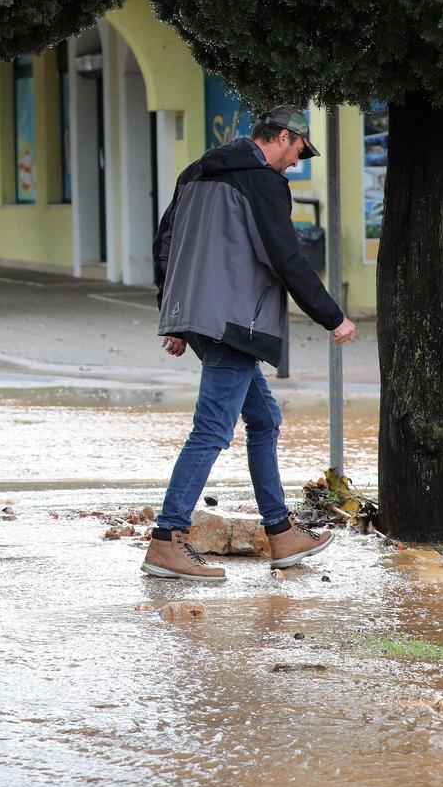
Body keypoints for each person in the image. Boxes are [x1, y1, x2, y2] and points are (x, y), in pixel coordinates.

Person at [142, 106, 356, 583]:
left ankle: (281, 534)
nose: (296, 163)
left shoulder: (195, 172)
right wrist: (332, 316)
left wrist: (173, 315)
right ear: (282, 137)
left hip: (199, 316)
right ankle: (166, 540)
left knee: (264, 419)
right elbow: (284, 256)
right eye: (298, 151)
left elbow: (165, 242)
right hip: (235, 320)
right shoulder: (263, 182)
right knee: (212, 430)